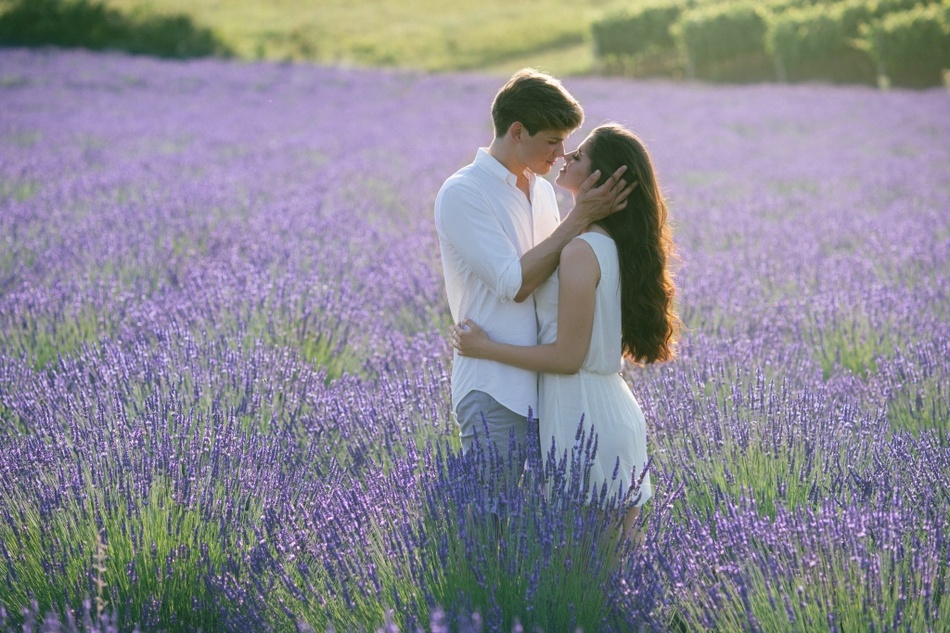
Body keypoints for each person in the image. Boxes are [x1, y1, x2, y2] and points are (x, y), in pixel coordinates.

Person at [451, 124, 680, 542]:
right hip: (599, 412)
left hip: (586, 417)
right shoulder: (604, 243)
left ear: (600, 177)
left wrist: (485, 347)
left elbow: (567, 356)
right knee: (611, 573)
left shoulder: (580, 251)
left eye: (579, 156)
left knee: (598, 571)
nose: (566, 158)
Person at [434, 69, 633, 468]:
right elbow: (515, 284)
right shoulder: (464, 192)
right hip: (496, 389)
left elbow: (556, 272)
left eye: (565, 142)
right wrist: (579, 217)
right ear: (518, 131)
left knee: (538, 527)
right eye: (553, 141)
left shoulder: (542, 190)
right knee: (494, 525)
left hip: (550, 388)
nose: (561, 154)